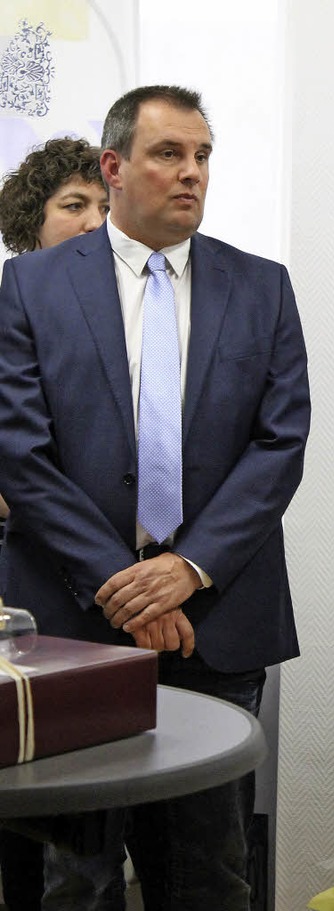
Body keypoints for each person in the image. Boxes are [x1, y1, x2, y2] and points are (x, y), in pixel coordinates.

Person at [0, 85, 310, 911]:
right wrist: (123, 581)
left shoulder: (263, 287)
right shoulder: (30, 286)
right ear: (115, 166)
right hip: (75, 628)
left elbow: (279, 448)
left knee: (210, 872)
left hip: (216, 618)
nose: (191, 174)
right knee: (80, 877)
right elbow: (21, 456)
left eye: (203, 156)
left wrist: (188, 568)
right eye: (169, 154)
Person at [0, 136, 108, 911]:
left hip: (105, 584)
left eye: (102, 206)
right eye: (74, 206)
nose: (94, 221)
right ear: (26, 224)